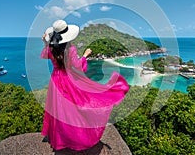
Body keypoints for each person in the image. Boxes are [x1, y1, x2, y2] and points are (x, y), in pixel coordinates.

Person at [40, 19, 129, 152]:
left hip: (56, 80)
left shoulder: (51, 48)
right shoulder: (70, 49)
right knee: (78, 107)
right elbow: (77, 66)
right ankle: (77, 136)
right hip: (69, 80)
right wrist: (85, 56)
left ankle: (61, 138)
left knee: (60, 109)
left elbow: (44, 55)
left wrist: (46, 42)